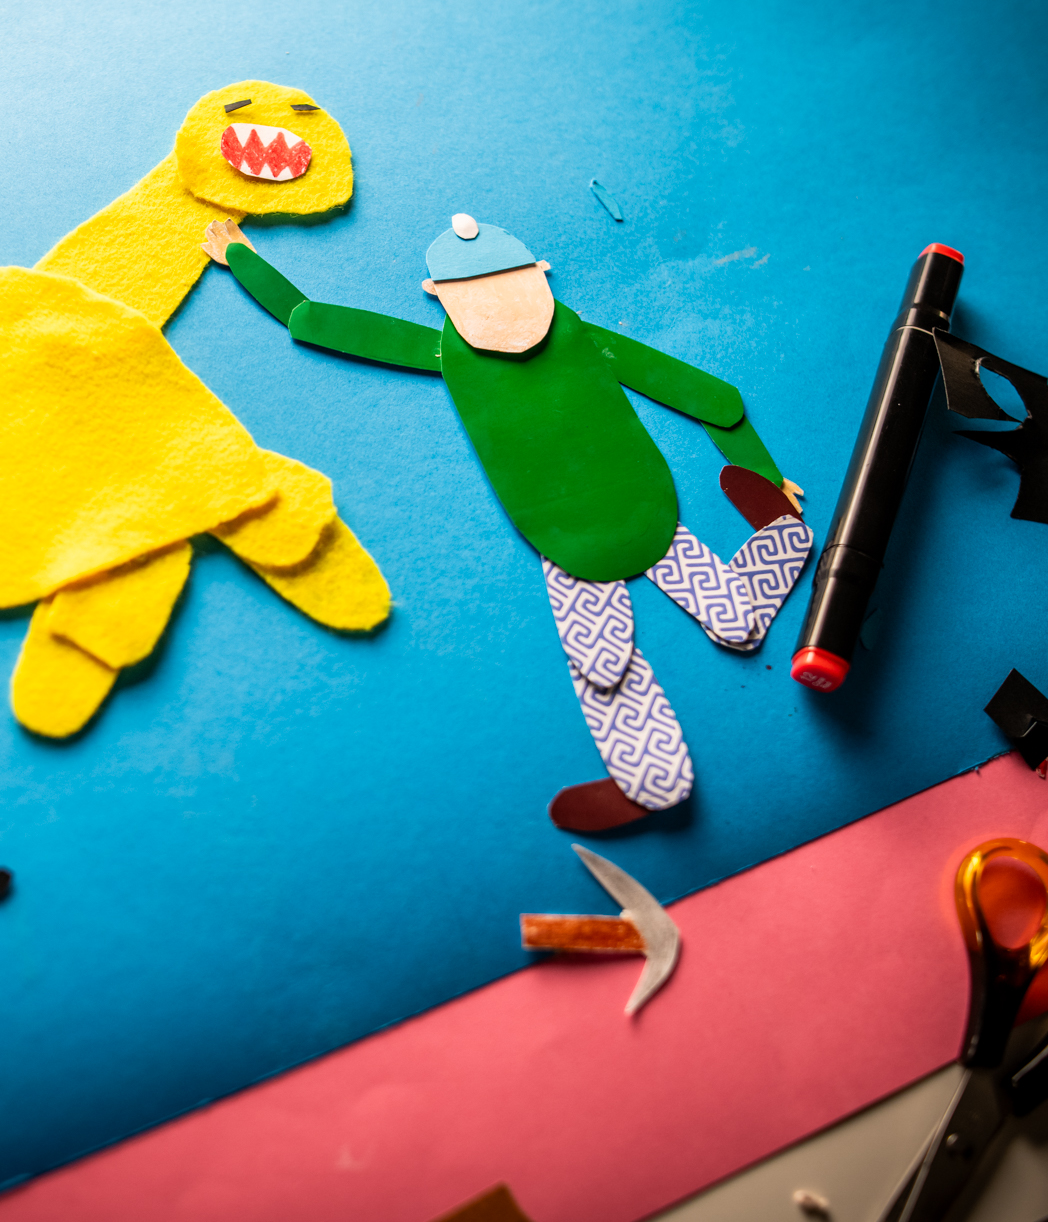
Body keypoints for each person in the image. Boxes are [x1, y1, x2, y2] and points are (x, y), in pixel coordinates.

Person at [202, 213, 813, 830]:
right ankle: (654, 784)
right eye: (474, 288)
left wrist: (760, 469)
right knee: (605, 664)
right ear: (439, 295)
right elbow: (314, 320)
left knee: (735, 626)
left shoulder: (577, 337)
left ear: (540, 274)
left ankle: (785, 538)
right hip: (562, 536)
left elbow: (701, 392)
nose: (496, 298)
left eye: (508, 279)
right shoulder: (450, 353)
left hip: (638, 508)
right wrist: (246, 262)